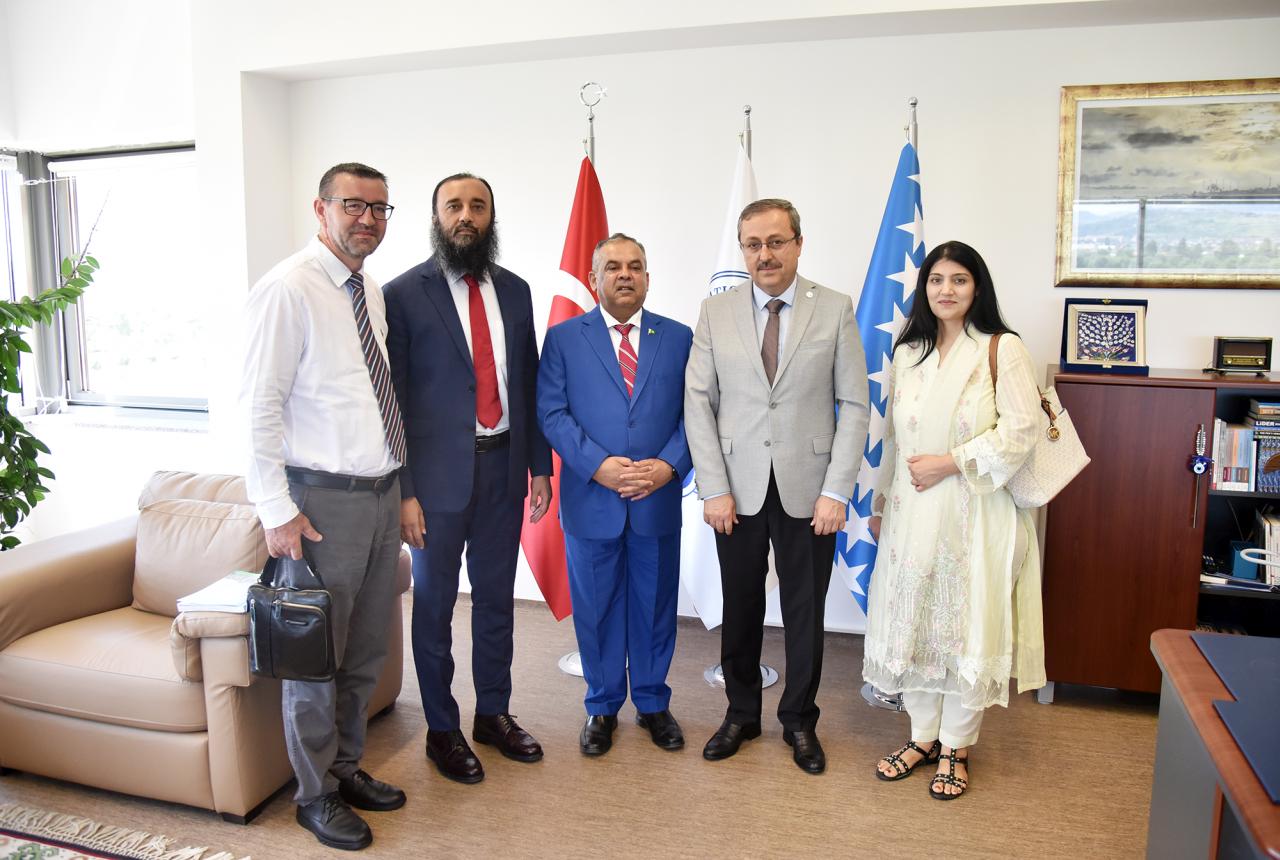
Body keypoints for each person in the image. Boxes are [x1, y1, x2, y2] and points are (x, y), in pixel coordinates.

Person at [242, 162, 406, 851]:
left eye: (379, 208)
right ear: (321, 209)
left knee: (365, 650)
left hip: (380, 495)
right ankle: (314, 796)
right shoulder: (288, 288)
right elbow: (258, 406)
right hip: (320, 505)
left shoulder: (369, 290)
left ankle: (344, 768)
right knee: (317, 660)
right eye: (352, 205)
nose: (367, 219)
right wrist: (276, 511)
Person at [684, 198, 869, 775]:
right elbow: (699, 402)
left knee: (805, 611)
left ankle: (799, 721)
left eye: (776, 241)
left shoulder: (833, 308)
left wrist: (836, 492)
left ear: (798, 243)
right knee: (739, 605)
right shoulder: (715, 311)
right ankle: (740, 713)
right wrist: (712, 487)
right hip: (734, 491)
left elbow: (854, 404)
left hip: (810, 491)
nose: (764, 254)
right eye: (753, 244)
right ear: (742, 249)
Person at [383, 172, 553, 785]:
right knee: (433, 607)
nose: (466, 216)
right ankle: (441, 728)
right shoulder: (402, 294)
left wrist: (539, 466)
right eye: (453, 206)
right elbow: (393, 402)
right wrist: (405, 491)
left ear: (491, 217)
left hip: (505, 469)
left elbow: (528, 382)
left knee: (496, 600)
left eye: (477, 206)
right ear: (436, 217)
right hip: (434, 483)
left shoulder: (516, 290)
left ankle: (493, 713)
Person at [863, 240, 1046, 800]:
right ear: (924, 288)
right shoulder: (910, 352)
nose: (946, 290)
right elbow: (895, 437)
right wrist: (880, 503)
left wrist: (951, 462)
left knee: (967, 626)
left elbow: (1021, 430)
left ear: (977, 287)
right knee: (915, 620)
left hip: (976, 513)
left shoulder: (1001, 348)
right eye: (936, 280)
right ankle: (922, 738)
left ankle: (956, 748)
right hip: (912, 509)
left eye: (959, 280)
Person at [536, 234, 693, 756]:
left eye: (635, 266)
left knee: (654, 606)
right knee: (597, 607)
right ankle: (601, 706)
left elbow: (697, 413)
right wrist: (596, 465)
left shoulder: (679, 338)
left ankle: (651, 702)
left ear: (647, 277)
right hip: (591, 499)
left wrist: (669, 466)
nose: (625, 274)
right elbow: (552, 412)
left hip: (656, 498)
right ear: (593, 279)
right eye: (613, 267)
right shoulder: (563, 338)